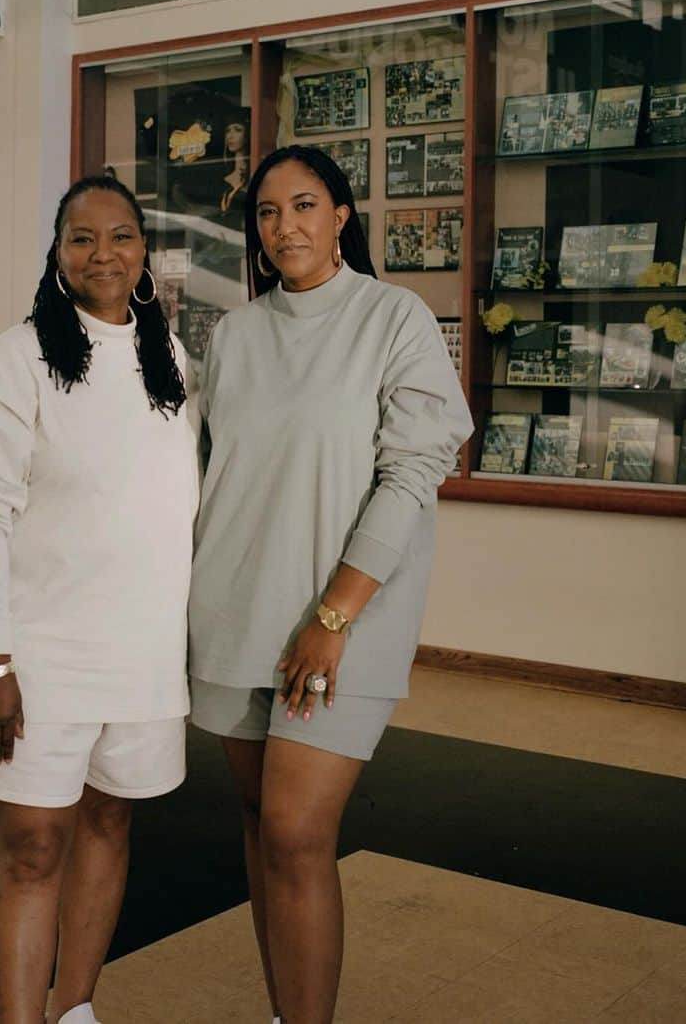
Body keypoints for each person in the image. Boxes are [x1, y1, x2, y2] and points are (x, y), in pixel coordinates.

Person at [189, 144, 473, 1024]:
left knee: (296, 833)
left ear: (341, 214)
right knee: (260, 824)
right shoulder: (233, 335)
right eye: (268, 213)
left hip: (341, 622)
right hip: (232, 609)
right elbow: (204, 476)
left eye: (304, 205)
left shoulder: (394, 318)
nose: (285, 227)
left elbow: (413, 470)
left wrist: (333, 615)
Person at [0, 175, 198, 1024]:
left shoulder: (170, 359)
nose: (104, 254)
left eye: (121, 235)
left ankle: (76, 1009)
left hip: (143, 652)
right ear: (57, 254)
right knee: (31, 849)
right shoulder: (22, 357)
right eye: (82, 238)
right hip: (40, 652)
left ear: (144, 252)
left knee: (109, 826)